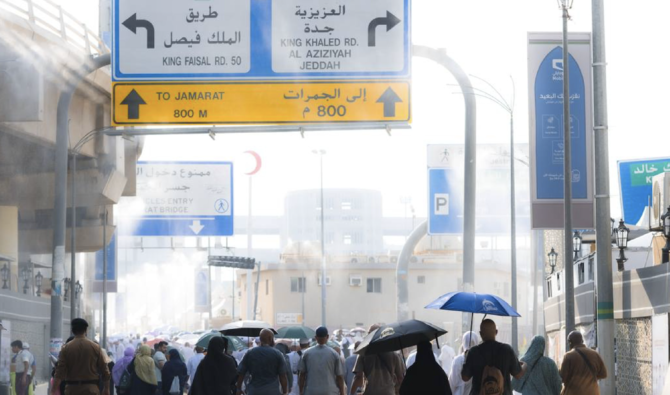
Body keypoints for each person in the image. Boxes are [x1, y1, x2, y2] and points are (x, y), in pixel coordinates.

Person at [461, 319, 527, 395]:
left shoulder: (473, 352)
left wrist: (467, 356)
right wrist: (525, 365)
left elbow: (465, 377)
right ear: (496, 332)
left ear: (481, 334)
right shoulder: (507, 350)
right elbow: (518, 375)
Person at [52, 318, 111, 395]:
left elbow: (59, 372)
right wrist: (106, 388)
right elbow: (105, 370)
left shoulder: (66, 348)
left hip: (72, 390)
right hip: (91, 390)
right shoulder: (95, 347)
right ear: (86, 330)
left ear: (72, 330)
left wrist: (53, 391)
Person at [350, 324, 405, 395]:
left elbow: (358, 376)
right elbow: (400, 378)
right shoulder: (394, 354)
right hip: (388, 392)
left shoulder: (363, 353)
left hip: (370, 392)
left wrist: (351, 393)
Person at [236, 329, 288, 395]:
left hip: (254, 391)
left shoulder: (250, 353)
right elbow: (282, 375)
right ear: (270, 338)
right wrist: (284, 392)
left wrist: (238, 389)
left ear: (260, 339)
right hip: (272, 391)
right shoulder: (278, 354)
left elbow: (241, 372)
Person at [298, 326, 345, 395]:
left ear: (316, 337)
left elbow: (302, 374)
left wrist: (301, 392)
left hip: (311, 391)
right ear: (327, 336)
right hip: (330, 391)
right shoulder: (334, 354)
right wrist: (342, 393)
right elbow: (339, 376)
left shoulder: (307, 353)